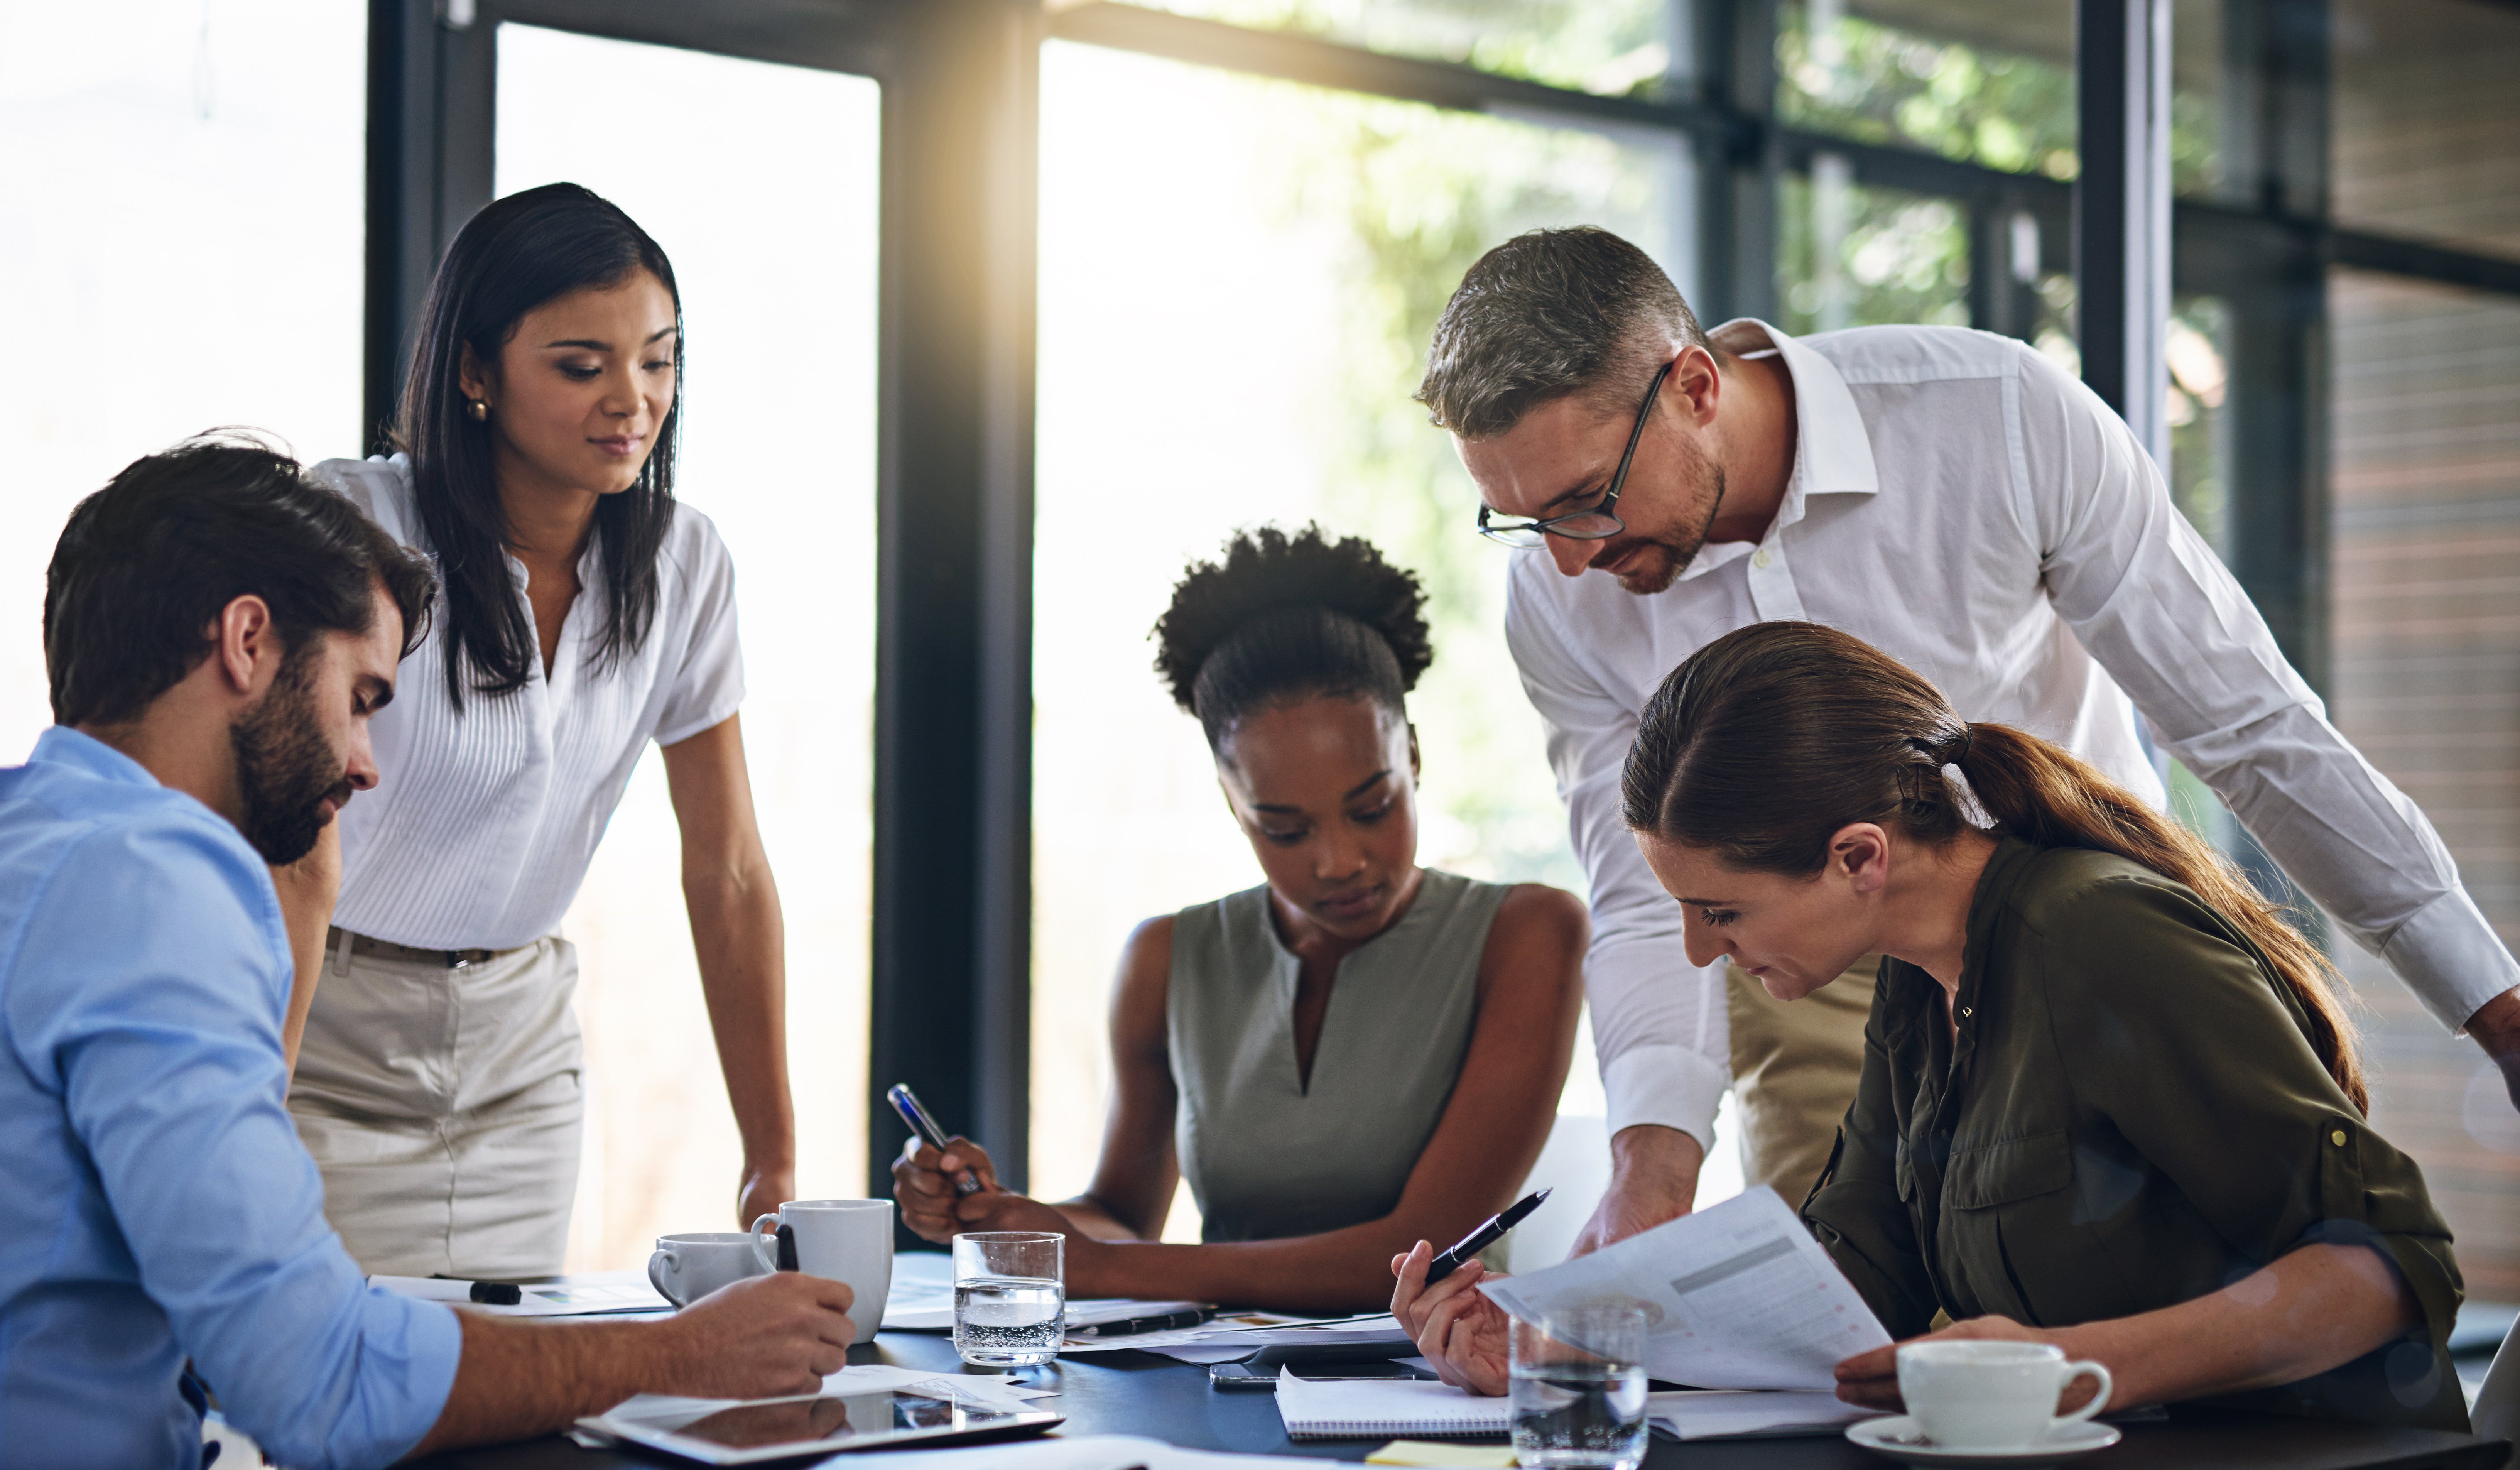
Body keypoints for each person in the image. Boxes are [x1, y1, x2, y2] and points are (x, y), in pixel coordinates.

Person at [1418, 225, 2520, 1252]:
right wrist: (1649, 1171)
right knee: (1830, 1345)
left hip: (2075, 929)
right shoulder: (1558, 594)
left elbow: (2246, 724)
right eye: (1523, 520)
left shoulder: (1994, 418)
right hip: (1800, 962)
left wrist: (2494, 1005)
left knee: (2140, 1306)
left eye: (1584, 501)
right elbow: (1644, 894)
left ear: (1695, 387)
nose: (1566, 560)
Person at [2, 437, 855, 1470]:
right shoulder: (159, 884)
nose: (364, 767)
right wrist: (678, 1352)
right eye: (361, 700)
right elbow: (321, 1383)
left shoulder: (35, 844)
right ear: (247, 640)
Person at [1392, 621, 2465, 1431]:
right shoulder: (1916, 981)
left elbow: (2386, 1266)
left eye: (1719, 910)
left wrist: (2072, 1364)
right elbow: (1849, 1288)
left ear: (1859, 857)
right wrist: (1568, 1348)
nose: (1697, 952)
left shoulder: (2099, 938)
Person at [279, 182, 795, 1277]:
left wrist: (772, 1156)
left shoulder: (682, 564)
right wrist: (249, 1092)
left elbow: (731, 868)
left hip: (520, 1051)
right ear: (475, 373)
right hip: (323, 1038)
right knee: (323, 1409)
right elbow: (287, 836)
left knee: (509, 1405)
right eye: (582, 365)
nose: (633, 399)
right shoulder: (357, 525)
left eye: (658, 360)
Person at [892, 527, 1586, 1312]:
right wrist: (1005, 1219)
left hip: (1435, 1391)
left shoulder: (1527, 934)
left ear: (1414, 757)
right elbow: (1121, 1220)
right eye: (1284, 829)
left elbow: (1418, 1252)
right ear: (1232, 803)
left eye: (1371, 808)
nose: (1338, 861)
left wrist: (1099, 1269)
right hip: (1210, 1384)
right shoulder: (1165, 958)